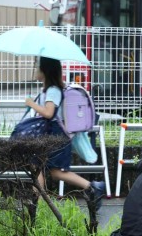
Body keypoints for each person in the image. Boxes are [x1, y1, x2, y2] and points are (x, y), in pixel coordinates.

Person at [24, 56, 106, 209]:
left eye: (37, 67)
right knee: (36, 167)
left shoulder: (53, 90)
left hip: (57, 136)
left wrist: (31, 104)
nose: (35, 71)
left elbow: (49, 113)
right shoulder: (49, 90)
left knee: (56, 172)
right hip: (50, 135)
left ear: (45, 71)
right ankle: (38, 203)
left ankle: (92, 187)